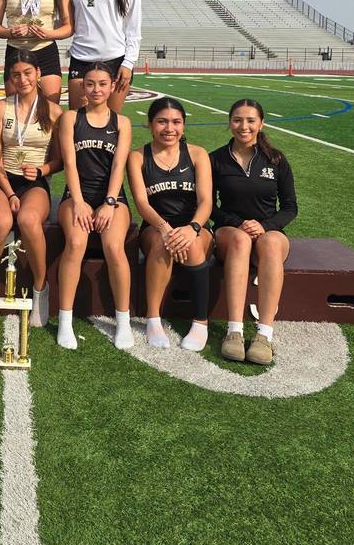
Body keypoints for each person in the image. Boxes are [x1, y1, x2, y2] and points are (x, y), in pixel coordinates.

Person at [0, 49, 63, 327]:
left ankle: (40, 288)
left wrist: (42, 170)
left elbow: (59, 160)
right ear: (10, 79)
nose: (22, 79)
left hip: (35, 182)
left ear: (38, 74)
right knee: (0, 222)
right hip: (3, 181)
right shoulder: (2, 107)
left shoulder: (55, 111)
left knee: (27, 219)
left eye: (27, 73)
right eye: (16, 75)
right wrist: (10, 193)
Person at [210, 99, 298, 366]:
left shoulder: (276, 159)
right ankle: (234, 331)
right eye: (237, 120)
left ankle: (264, 334)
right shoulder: (216, 159)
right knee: (239, 240)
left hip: (268, 232)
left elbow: (290, 207)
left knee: (271, 244)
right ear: (229, 123)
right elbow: (208, 206)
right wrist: (237, 223)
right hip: (231, 232)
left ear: (261, 124)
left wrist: (265, 226)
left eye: (250, 121)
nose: (243, 126)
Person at [55, 63, 134, 350]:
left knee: (114, 247)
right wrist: (78, 202)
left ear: (112, 86)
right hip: (76, 196)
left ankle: (122, 320)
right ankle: (65, 320)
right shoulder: (70, 119)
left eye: (102, 84)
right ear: (82, 87)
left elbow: (118, 166)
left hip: (112, 199)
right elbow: (70, 164)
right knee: (75, 243)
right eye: (90, 84)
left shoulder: (121, 122)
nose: (96, 89)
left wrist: (109, 203)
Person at [127, 98, 214, 351]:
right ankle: (153, 319)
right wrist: (165, 228)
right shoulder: (138, 157)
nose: (169, 128)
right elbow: (142, 204)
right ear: (150, 124)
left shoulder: (197, 154)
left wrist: (193, 228)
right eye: (162, 122)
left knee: (195, 246)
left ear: (184, 125)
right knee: (161, 244)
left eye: (176, 122)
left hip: (194, 226)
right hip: (156, 227)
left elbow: (206, 200)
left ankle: (200, 323)